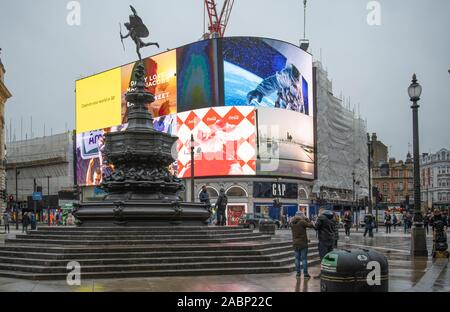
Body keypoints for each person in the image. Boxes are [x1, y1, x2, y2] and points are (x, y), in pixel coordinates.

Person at [291, 212, 315, 279]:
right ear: (301, 216)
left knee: (297, 259)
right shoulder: (302, 222)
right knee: (304, 259)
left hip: (295, 243)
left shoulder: (292, 223)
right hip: (303, 243)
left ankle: (298, 274)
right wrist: (306, 219)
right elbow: (311, 225)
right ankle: (305, 274)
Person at [314, 209, 335, 278]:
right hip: (331, 240)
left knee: (323, 258)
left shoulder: (321, 217)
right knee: (330, 257)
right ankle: (330, 273)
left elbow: (316, 227)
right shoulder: (332, 218)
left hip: (323, 240)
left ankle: (323, 273)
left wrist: (313, 223)